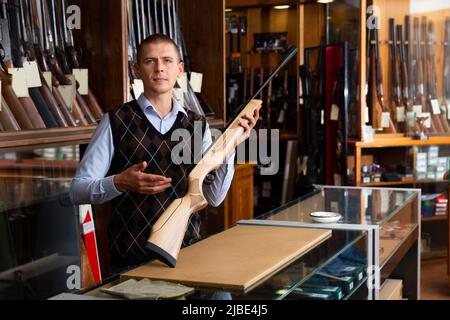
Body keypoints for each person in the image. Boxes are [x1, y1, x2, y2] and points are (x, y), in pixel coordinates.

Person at [70, 34, 259, 272]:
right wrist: (119, 182)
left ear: (180, 69)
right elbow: (77, 190)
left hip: (188, 254)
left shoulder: (197, 125)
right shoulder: (114, 121)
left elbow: (213, 197)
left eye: (167, 61)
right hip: (129, 260)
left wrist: (230, 146)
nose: (160, 68)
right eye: (150, 61)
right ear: (136, 69)